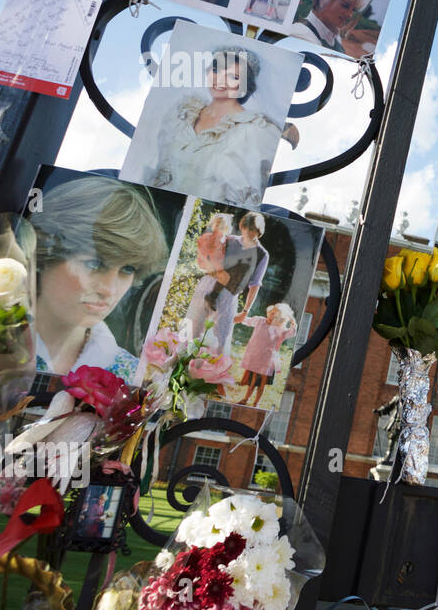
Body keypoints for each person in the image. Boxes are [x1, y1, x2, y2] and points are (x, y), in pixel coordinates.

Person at [31, 177, 169, 381]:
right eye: (94, 264)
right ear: (44, 254)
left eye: (128, 269)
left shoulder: (131, 376)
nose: (110, 290)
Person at [134, 46, 282, 208]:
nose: (220, 81)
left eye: (233, 76)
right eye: (217, 70)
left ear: (245, 86)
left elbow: (246, 199)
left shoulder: (253, 130)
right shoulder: (184, 111)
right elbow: (159, 167)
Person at [185, 211, 269, 356]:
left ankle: (206, 374)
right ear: (241, 227)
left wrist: (245, 311)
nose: (247, 232)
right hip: (208, 285)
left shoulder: (262, 254)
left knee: (220, 341)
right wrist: (215, 270)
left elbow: (255, 284)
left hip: (229, 296)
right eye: (245, 228)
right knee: (193, 331)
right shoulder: (229, 239)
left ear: (259, 231)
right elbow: (204, 257)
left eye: (252, 230)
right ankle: (181, 366)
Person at [235, 302, 297, 406]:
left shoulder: (280, 329)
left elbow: (292, 332)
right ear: (267, 312)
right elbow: (246, 320)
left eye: (275, 314)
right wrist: (237, 315)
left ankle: (256, 403)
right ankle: (246, 399)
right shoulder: (260, 321)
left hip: (268, 359)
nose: (272, 316)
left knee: (262, 382)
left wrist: (291, 320)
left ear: (279, 317)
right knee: (253, 380)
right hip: (256, 356)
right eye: (271, 313)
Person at [291, 0, 363, 52]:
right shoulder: (300, 34)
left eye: (353, 10)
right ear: (323, 0)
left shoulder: (334, 35)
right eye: (345, 6)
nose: (350, 15)